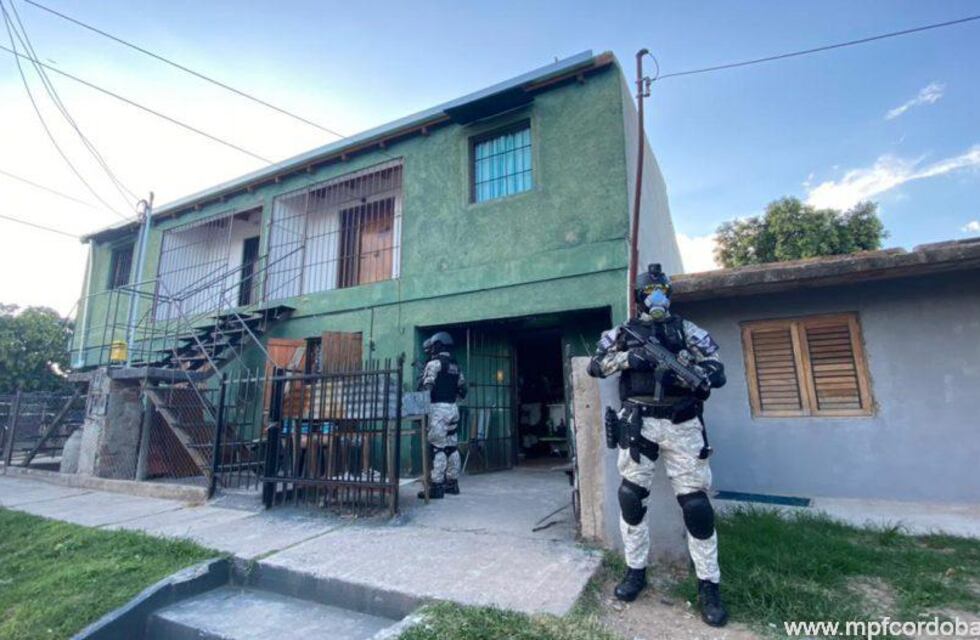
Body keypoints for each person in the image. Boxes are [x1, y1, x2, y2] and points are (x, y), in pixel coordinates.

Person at [587, 263, 729, 627]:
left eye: (662, 290)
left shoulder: (687, 330)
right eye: (650, 292)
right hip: (640, 424)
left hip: (683, 424)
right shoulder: (623, 332)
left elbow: (717, 368)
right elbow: (596, 365)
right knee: (632, 498)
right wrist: (629, 358)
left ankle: (708, 583)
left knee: (696, 505)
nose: (657, 297)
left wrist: (699, 375)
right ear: (639, 298)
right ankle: (636, 571)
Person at [417, 331, 467, 499]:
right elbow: (463, 390)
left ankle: (436, 486)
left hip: (438, 409)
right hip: (453, 408)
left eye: (432, 346)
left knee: (438, 447)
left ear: (438, 345)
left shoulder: (434, 364)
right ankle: (452, 483)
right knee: (452, 447)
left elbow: (426, 389)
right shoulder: (456, 366)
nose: (431, 349)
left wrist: (423, 410)